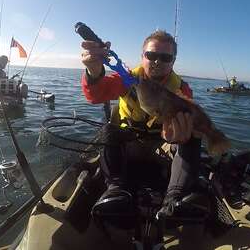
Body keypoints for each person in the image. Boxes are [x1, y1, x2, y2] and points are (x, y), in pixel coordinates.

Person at [81, 29, 202, 220]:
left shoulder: (181, 89)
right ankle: (115, 191)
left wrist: (178, 134)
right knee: (107, 130)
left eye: (165, 57)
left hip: (162, 147)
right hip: (129, 144)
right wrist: (94, 71)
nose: (157, 61)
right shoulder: (127, 78)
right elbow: (96, 95)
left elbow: (184, 121)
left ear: (173, 61)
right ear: (142, 56)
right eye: (151, 55)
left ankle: (173, 201)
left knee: (193, 137)